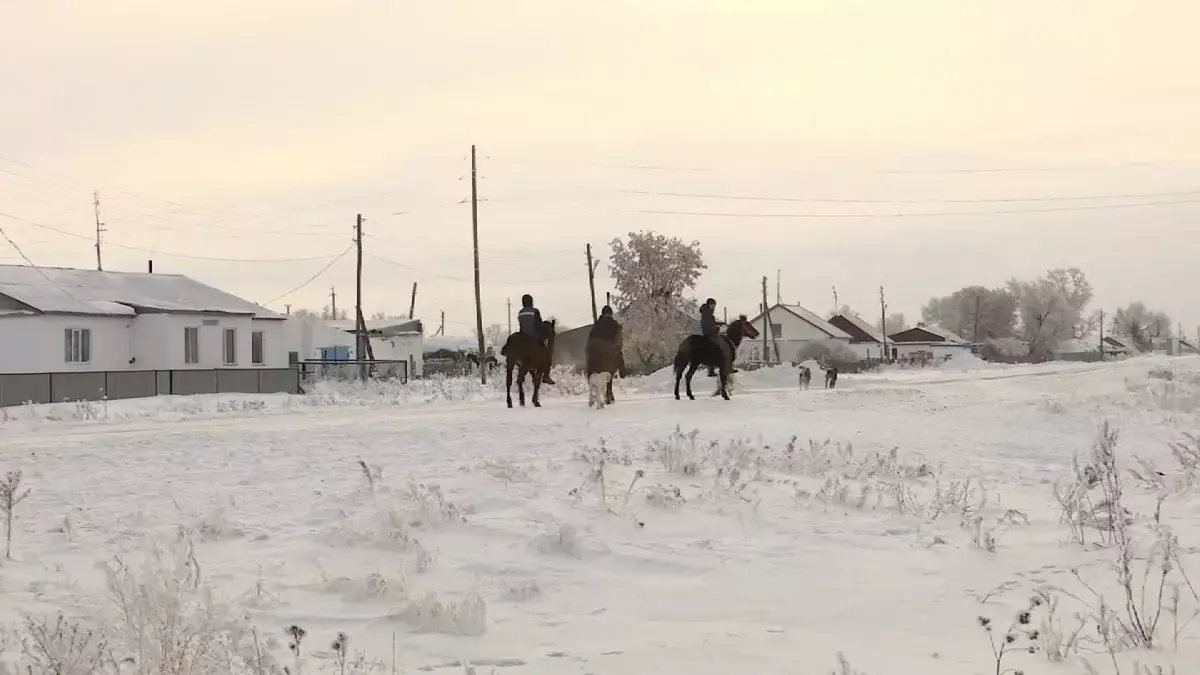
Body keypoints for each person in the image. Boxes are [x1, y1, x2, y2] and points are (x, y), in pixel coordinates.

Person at [516, 294, 555, 384]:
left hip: (523, 337)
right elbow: (538, 325)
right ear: (531, 302)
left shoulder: (520, 312)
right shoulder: (535, 311)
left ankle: (520, 374)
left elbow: (522, 325)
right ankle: (546, 376)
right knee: (547, 353)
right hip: (534, 337)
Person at [699, 298, 726, 377]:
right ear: (710, 304)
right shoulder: (707, 313)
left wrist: (720, 324)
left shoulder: (708, 312)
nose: (714, 307)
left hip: (709, 332)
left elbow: (712, 322)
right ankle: (711, 370)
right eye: (713, 305)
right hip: (709, 333)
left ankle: (713, 368)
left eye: (715, 305)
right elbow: (708, 324)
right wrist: (717, 328)